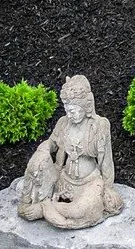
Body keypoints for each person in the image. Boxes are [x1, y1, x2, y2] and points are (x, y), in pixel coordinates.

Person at [17, 75, 124, 229]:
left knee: (78, 212)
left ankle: (44, 208)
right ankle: (43, 205)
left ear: (85, 106)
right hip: (64, 179)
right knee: (36, 165)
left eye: (73, 110)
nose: (69, 115)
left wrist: (108, 187)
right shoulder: (63, 123)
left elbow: (106, 160)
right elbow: (52, 144)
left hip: (90, 181)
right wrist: (42, 151)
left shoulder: (98, 126)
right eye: (67, 110)